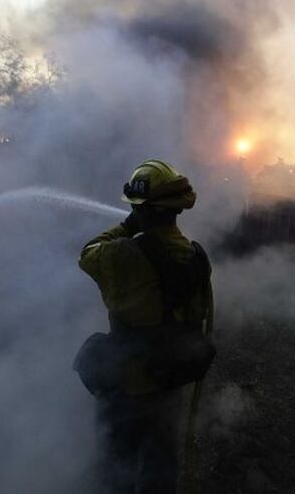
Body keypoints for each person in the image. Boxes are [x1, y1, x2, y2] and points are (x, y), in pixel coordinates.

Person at [74, 160, 214, 494]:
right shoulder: (196, 257)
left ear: (143, 212)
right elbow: (200, 318)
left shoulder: (123, 253)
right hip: (168, 382)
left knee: (115, 469)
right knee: (160, 466)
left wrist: (126, 225)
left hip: (126, 385)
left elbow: (87, 254)